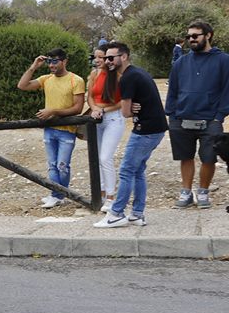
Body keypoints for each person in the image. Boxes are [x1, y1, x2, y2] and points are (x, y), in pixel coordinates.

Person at [94, 42, 167, 227]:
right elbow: (131, 107)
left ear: (124, 57)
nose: (107, 61)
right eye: (106, 58)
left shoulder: (127, 78)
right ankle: (137, 214)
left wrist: (132, 109)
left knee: (127, 170)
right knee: (138, 170)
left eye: (111, 58)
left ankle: (116, 213)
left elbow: (125, 112)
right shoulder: (137, 72)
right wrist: (132, 106)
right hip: (156, 129)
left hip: (145, 131)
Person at [164, 20, 229, 209]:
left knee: (209, 157)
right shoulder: (181, 62)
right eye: (188, 36)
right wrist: (172, 114)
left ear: (208, 35)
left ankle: (203, 192)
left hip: (211, 119)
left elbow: (227, 90)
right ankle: (185, 193)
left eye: (195, 36)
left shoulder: (224, 60)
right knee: (185, 156)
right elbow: (173, 90)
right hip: (181, 118)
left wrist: (220, 116)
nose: (191, 39)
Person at [17, 48, 85, 208]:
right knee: (52, 165)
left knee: (63, 165)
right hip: (49, 130)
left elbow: (78, 108)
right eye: (49, 61)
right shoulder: (46, 79)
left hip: (67, 130)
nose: (51, 65)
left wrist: (53, 111)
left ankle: (61, 194)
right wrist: (34, 67)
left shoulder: (76, 80)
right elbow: (22, 85)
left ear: (64, 61)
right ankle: (55, 195)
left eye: (55, 61)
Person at [87, 46, 124, 212]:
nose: (98, 60)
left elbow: (122, 102)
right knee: (98, 157)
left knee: (105, 157)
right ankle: (100, 193)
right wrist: (94, 108)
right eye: (96, 57)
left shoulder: (117, 76)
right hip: (96, 118)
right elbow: (90, 96)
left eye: (101, 57)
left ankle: (111, 196)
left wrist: (103, 110)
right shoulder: (94, 74)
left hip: (113, 117)